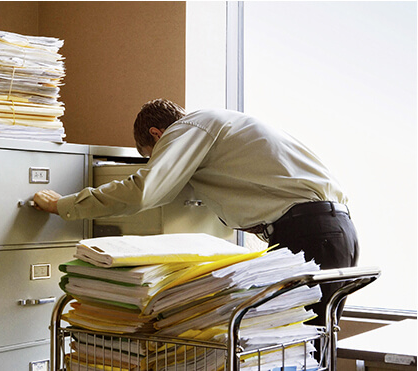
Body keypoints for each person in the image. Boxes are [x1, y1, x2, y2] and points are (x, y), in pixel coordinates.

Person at [33, 98, 359, 326]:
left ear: (157, 136)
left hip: (309, 234)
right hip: (334, 231)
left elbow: (146, 190)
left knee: (293, 343)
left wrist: (64, 205)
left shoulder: (188, 128)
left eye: (153, 156)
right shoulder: (226, 125)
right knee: (310, 343)